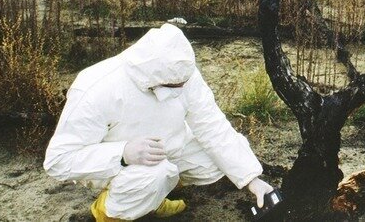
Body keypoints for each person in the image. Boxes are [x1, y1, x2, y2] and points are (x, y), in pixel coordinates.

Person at [44, 23, 273, 221]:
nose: (181, 90)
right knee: (154, 175)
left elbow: (212, 126)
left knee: (215, 159)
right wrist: (122, 154)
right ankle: (109, 213)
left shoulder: (182, 72)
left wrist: (251, 179)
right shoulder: (96, 88)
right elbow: (58, 161)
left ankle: (153, 197)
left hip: (165, 146)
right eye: (173, 87)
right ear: (152, 79)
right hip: (119, 163)